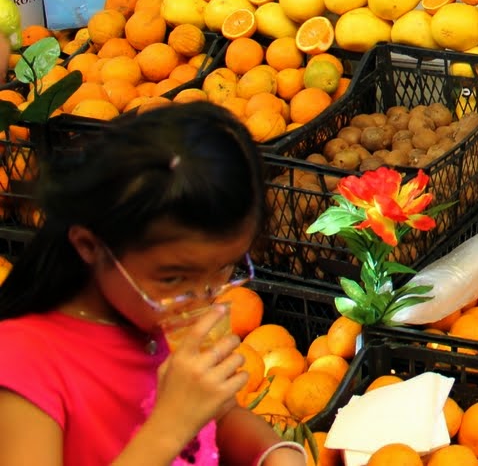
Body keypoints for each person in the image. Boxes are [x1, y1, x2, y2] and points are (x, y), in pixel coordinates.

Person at [0, 103, 308, 466]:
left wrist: (274, 452)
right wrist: (170, 426)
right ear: (90, 246)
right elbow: (183, 421)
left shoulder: (160, 318)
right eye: (173, 278)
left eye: (225, 268)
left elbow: (220, 416)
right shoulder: (25, 363)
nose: (201, 299)